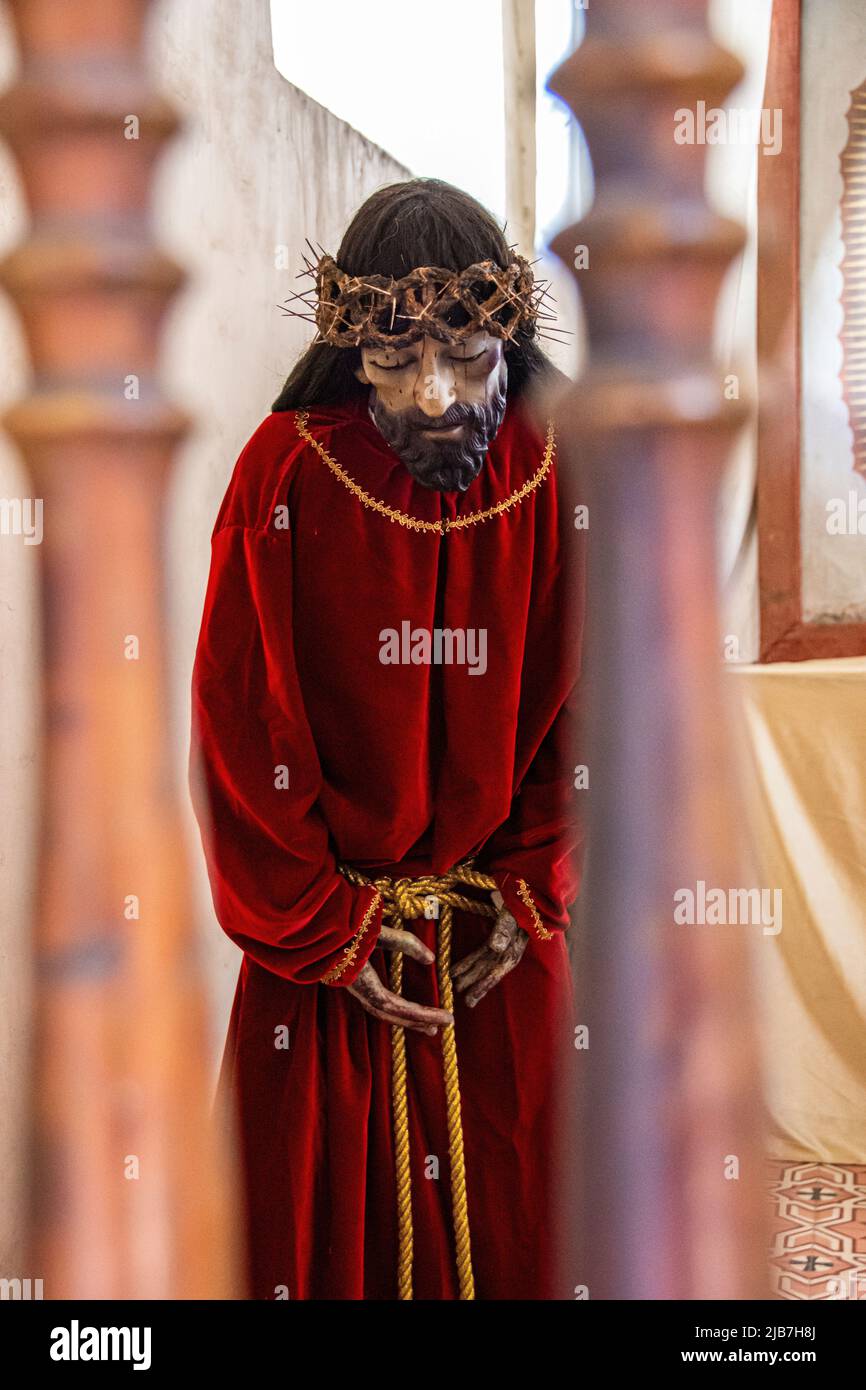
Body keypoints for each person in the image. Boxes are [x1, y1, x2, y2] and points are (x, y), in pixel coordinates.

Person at [190, 177, 585, 1300]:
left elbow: (595, 714)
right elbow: (238, 719)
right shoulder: (284, 472)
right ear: (346, 342)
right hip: (332, 969)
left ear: (505, 329)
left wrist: (528, 882)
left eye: (463, 354)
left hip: (488, 953)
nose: (431, 397)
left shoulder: (561, 474)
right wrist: (323, 923)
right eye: (393, 356)